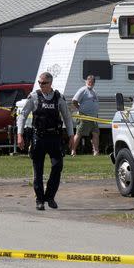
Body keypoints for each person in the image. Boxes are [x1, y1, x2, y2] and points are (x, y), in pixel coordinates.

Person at [17, 72, 74, 210]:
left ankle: (50, 196)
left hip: (54, 137)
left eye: (44, 83)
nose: (41, 85)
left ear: (50, 83)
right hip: (39, 137)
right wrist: (20, 134)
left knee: (57, 166)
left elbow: (67, 117)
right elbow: (23, 115)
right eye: (39, 83)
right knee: (38, 170)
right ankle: (39, 200)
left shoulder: (59, 98)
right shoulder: (34, 96)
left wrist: (71, 135)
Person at [71, 75, 100, 156]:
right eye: (89, 81)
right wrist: (80, 109)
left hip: (94, 117)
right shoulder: (83, 90)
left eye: (92, 82)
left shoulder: (93, 91)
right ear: (86, 81)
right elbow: (74, 100)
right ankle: (73, 151)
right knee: (79, 133)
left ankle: (96, 151)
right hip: (84, 116)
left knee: (95, 133)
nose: (91, 83)